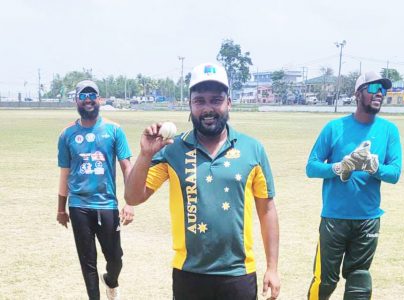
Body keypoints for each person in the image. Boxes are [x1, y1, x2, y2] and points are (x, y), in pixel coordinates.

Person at [124, 63, 280, 300]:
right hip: (189, 273)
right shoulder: (172, 149)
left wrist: (272, 267)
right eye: (200, 101)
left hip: (238, 273)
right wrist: (146, 154)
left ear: (229, 102)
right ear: (190, 105)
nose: (208, 108)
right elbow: (133, 197)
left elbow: (267, 210)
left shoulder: (252, 149)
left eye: (216, 100)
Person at [305, 71, 402, 299]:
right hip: (334, 218)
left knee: (359, 279)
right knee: (325, 280)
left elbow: (394, 174)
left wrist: (373, 167)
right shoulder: (334, 127)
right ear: (358, 94)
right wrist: (340, 167)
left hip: (367, 219)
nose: (380, 94)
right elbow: (311, 167)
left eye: (383, 90)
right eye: (373, 89)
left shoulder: (389, 130)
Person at [57, 80, 134, 300]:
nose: (88, 99)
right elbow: (64, 173)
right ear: (76, 101)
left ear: (99, 99)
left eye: (92, 95)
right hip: (78, 205)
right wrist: (61, 209)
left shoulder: (114, 130)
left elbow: (127, 167)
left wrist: (130, 202)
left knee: (115, 258)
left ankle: (111, 280)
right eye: (83, 95)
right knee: (87, 261)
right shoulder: (67, 134)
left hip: (107, 205)